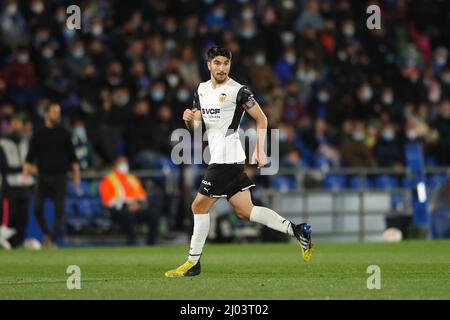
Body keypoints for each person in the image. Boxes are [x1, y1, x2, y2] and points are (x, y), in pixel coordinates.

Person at [165, 46, 313, 278]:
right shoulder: (201, 90)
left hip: (227, 158)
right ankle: (297, 230)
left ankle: (193, 263)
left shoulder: (239, 91)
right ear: (209, 65)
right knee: (245, 211)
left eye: (226, 63)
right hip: (220, 157)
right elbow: (196, 127)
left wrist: (261, 151)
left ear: (230, 65)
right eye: (217, 63)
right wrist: (188, 120)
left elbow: (262, 119)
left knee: (198, 206)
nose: (221, 67)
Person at [22, 103, 80, 248]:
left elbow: (73, 157)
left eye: (58, 112)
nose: (57, 114)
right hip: (43, 176)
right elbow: (30, 157)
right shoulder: (39, 133)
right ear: (46, 114)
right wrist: (25, 175)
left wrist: (76, 176)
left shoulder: (64, 133)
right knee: (37, 208)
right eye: (54, 111)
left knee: (59, 209)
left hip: (60, 176)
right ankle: (47, 233)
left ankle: (52, 240)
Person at [99, 156, 160, 245]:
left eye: (125, 163)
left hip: (136, 207)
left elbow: (142, 196)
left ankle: (152, 242)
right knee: (128, 215)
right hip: (119, 209)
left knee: (153, 214)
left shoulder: (132, 178)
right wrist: (126, 205)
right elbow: (108, 201)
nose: (124, 165)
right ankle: (133, 241)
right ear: (116, 165)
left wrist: (139, 204)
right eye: (121, 163)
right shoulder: (108, 180)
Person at [0, 115, 34, 248]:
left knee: (22, 218)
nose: (17, 125)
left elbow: (31, 161)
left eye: (19, 123)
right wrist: (22, 168)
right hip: (9, 185)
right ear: (9, 125)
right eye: (14, 123)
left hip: (24, 185)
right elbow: (3, 166)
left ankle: (17, 245)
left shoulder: (25, 142)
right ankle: (5, 243)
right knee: (9, 217)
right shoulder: (2, 142)